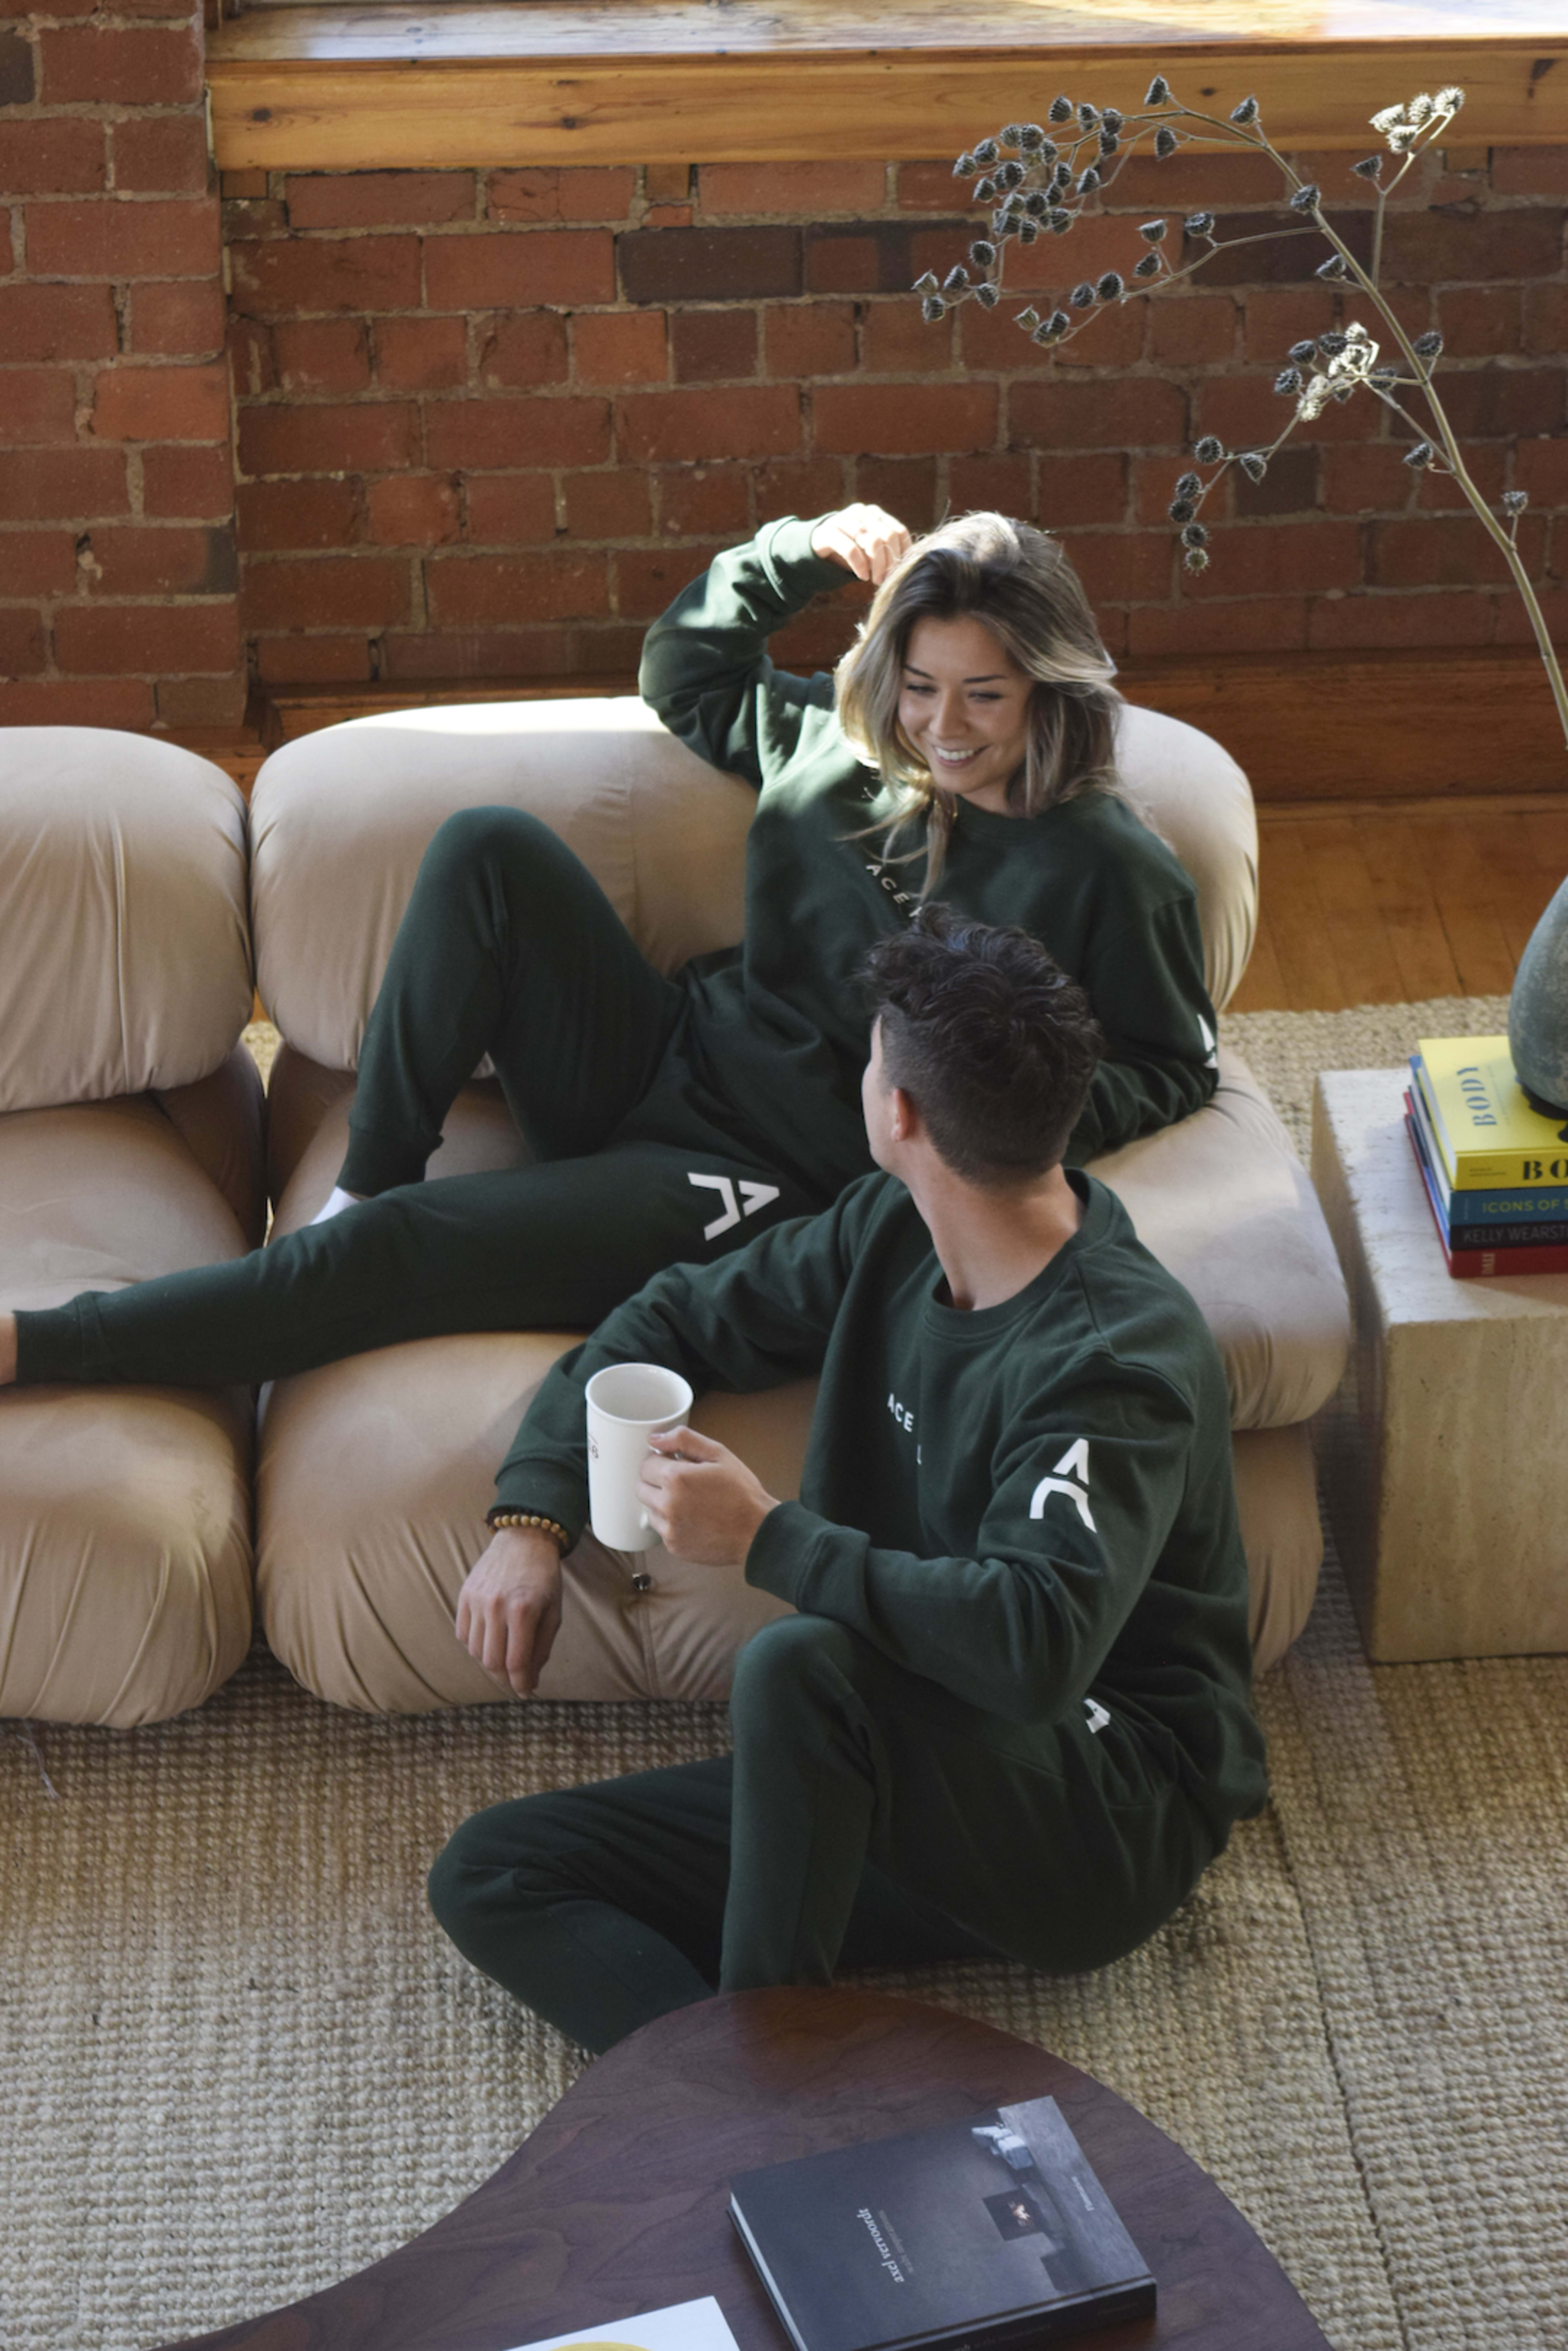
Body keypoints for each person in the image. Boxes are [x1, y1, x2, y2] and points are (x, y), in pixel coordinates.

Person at [0, 506, 1218, 1660]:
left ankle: (40, 1344)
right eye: (920, 685)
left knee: (415, 1251)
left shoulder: (1111, 868)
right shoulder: (837, 743)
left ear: (1047, 688)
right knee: (488, 848)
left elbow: (1172, 1065)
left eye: (984, 696)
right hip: (663, 1048)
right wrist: (795, 553)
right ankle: (364, 1184)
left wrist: (966, 1117)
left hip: (755, 1178)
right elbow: (684, 670)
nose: (944, 726)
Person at [427, 908, 1265, 2054]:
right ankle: (755, 2110)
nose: (862, 1071)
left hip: (1099, 1806)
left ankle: (770, 2071)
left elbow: (1034, 1641)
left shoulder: (1113, 1365)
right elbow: (673, 1315)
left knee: (801, 1665)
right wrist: (534, 1511)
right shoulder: (895, 1222)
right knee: (497, 1871)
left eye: (870, 1055)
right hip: (894, 1756)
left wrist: (772, 1535)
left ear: (900, 1111)